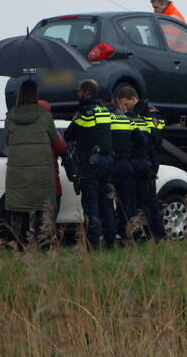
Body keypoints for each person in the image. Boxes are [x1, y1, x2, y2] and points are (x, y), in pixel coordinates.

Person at [4, 80, 66, 247]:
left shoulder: (10, 116)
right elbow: (55, 140)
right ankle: (43, 243)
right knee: (42, 208)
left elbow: (8, 141)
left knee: (19, 208)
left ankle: (21, 245)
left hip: (18, 172)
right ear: (36, 95)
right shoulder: (45, 116)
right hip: (41, 171)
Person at [64, 79, 116, 249]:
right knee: (107, 204)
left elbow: (69, 134)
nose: (78, 95)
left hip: (91, 164)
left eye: (80, 92)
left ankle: (92, 243)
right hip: (107, 162)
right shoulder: (105, 111)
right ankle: (110, 242)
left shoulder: (86, 112)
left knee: (91, 204)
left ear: (86, 93)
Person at [121, 86, 167, 241]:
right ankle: (146, 233)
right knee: (141, 200)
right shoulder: (138, 113)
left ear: (133, 99)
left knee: (150, 200)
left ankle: (157, 234)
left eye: (125, 104)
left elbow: (155, 140)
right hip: (142, 159)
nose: (124, 108)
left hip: (148, 159)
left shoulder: (150, 113)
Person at [109, 90, 138, 241]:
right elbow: (141, 141)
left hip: (114, 163)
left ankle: (117, 232)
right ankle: (130, 234)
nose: (125, 107)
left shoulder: (109, 120)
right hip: (127, 163)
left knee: (111, 201)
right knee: (127, 202)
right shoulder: (129, 120)